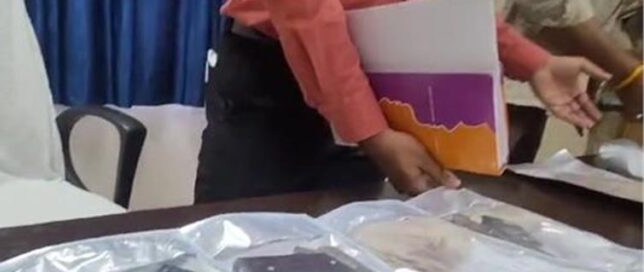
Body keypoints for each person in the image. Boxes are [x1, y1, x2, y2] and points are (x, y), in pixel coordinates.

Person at [195, 0, 610, 203]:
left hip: (377, 70)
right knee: (236, 244)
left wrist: (532, 61)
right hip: (276, 78)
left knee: (339, 249)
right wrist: (367, 128)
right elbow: (308, 10)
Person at [502, 0, 642, 161]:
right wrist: (626, 72)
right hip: (497, 79)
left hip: (540, 87)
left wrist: (612, 67)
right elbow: (547, 6)